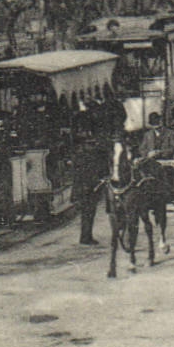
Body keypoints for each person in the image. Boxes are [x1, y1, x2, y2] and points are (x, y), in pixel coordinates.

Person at [73, 105, 112, 246]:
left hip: (83, 180)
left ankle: (85, 236)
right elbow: (102, 159)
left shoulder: (80, 145)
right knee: (89, 209)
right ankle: (86, 237)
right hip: (91, 181)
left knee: (87, 210)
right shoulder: (94, 146)